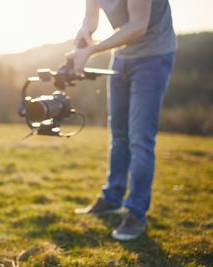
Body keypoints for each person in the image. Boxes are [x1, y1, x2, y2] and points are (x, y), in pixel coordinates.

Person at [68, 0, 177, 241]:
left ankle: (136, 212)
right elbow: (91, 19)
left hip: (153, 57)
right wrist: (83, 37)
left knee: (139, 138)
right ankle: (112, 198)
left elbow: (138, 26)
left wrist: (90, 51)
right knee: (119, 134)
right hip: (122, 58)